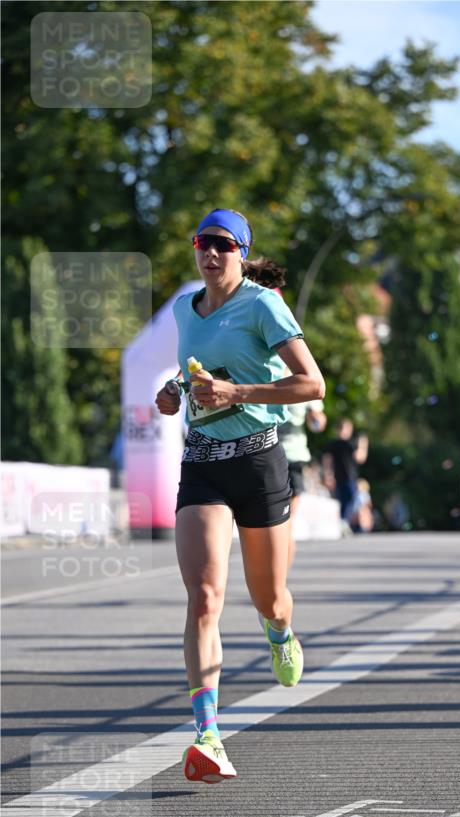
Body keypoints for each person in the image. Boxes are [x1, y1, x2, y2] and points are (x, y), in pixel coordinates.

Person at [155, 208, 325, 783]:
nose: (211, 253)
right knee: (204, 597)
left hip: (257, 460)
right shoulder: (185, 307)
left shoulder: (262, 304)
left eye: (223, 245)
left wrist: (238, 391)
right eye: (203, 242)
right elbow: (195, 373)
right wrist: (176, 391)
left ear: (242, 252)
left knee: (269, 596)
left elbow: (311, 384)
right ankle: (207, 735)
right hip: (202, 462)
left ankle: (280, 632)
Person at [278, 398, 327, 566]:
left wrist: (315, 419)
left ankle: (281, 577)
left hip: (294, 458)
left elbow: (319, 422)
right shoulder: (264, 374)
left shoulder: (302, 376)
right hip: (265, 455)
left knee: (287, 520)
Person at [322, 418, 368, 526]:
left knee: (350, 499)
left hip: (350, 476)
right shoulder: (334, 444)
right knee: (345, 499)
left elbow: (360, 458)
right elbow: (327, 460)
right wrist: (328, 475)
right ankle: (342, 521)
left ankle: (343, 521)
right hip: (339, 477)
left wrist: (362, 445)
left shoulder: (350, 443)